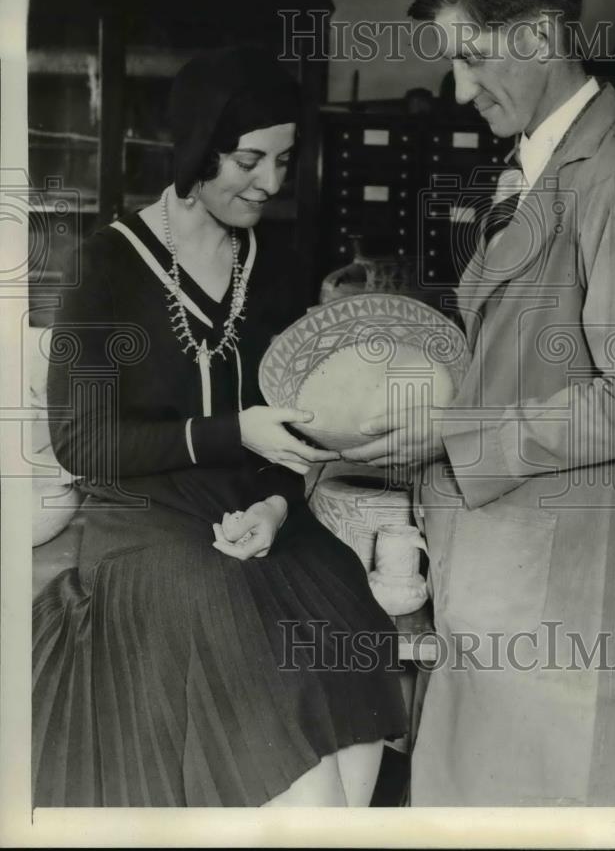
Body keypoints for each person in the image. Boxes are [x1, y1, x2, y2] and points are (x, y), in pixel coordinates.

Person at [343, 0, 615, 806]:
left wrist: (453, 431)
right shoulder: (538, 165)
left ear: (540, 37)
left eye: (473, 59)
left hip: (567, 614)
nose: (459, 90)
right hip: (508, 586)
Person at [33, 46, 408, 807]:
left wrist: (275, 503)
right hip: (145, 528)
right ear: (198, 148)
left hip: (255, 514)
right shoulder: (104, 266)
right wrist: (233, 433)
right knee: (235, 636)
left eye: (284, 159)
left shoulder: (273, 265)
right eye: (247, 159)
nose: (270, 182)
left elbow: (293, 430)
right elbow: (84, 443)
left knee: (349, 617)